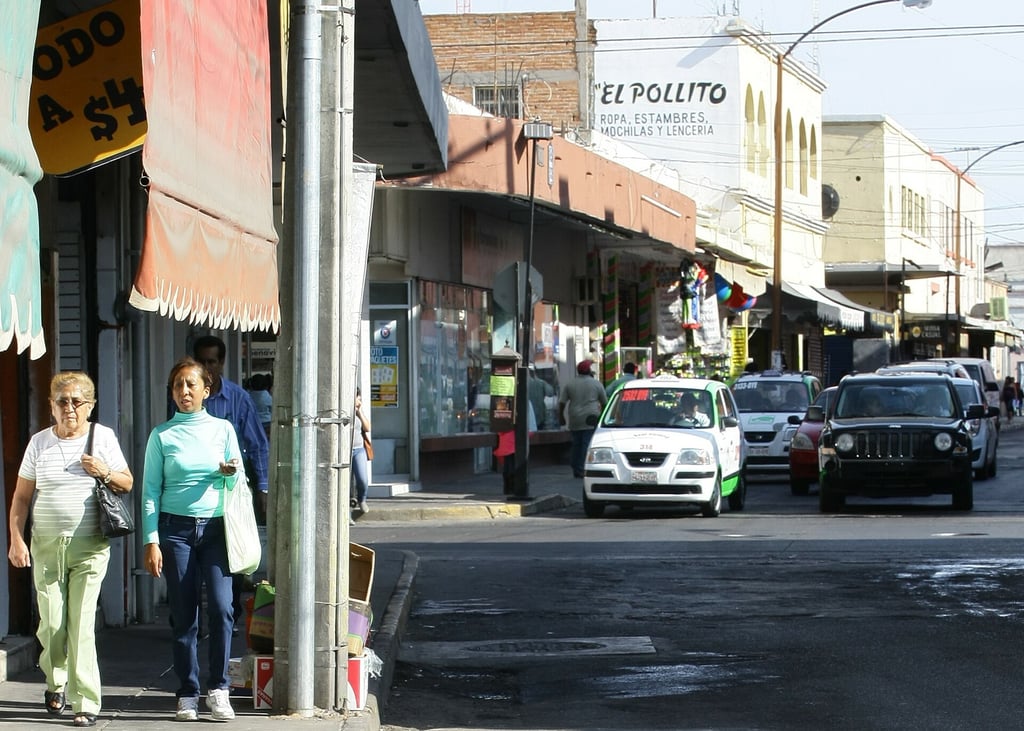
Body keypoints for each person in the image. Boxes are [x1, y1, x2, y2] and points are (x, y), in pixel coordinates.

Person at [8, 372, 133, 728]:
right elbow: (21, 497)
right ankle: (55, 680)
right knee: (52, 625)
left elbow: (127, 483)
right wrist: (16, 539)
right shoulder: (39, 443)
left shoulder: (102, 438)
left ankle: (86, 702)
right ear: (51, 406)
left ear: (90, 406)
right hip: (46, 547)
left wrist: (104, 471)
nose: (69, 409)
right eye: (62, 402)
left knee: (80, 626)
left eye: (77, 402)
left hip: (90, 548)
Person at [142, 357, 242, 722]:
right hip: (175, 530)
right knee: (184, 615)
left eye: (190, 385)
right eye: (177, 386)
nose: (184, 392)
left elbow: (236, 481)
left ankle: (219, 688)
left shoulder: (224, 429)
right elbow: (151, 490)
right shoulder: (162, 435)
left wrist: (229, 473)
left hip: (216, 529)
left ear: (207, 390)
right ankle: (187, 692)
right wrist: (151, 539)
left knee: (222, 607)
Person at [558, 359, 607, 478]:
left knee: (576, 444)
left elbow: (562, 402)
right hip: (591, 417)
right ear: (589, 370)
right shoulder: (596, 384)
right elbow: (605, 402)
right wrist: (603, 417)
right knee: (586, 444)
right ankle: (583, 468)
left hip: (575, 418)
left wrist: (561, 416)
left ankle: (576, 467)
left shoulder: (570, 384)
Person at [352, 387, 371, 516]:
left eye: (359, 398)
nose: (358, 400)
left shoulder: (358, 412)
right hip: (344, 451)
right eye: (356, 397)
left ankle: (362, 499)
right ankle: (347, 514)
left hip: (359, 449)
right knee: (345, 485)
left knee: (362, 479)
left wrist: (359, 411)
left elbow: (367, 427)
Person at [247, 373, 273, 438]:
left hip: (253, 424)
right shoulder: (267, 395)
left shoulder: (248, 395)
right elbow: (272, 409)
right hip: (267, 423)